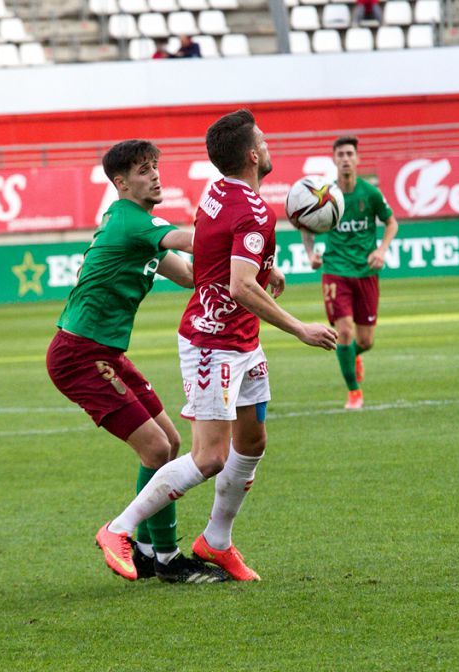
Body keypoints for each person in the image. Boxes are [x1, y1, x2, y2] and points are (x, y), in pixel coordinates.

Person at [94, 109, 337, 582]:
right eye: (263, 141)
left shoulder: (218, 191)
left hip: (243, 341)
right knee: (210, 456)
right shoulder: (253, 210)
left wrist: (264, 266)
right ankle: (118, 527)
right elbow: (242, 287)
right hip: (213, 342)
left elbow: (215, 247)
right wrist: (300, 329)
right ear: (251, 155)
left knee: (253, 439)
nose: (268, 147)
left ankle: (216, 541)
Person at [47, 139, 225, 584]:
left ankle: (148, 551)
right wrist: (243, 233)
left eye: (156, 167)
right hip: (80, 355)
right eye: (144, 170)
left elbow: (187, 273)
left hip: (103, 352)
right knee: (154, 448)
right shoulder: (131, 221)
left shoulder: (136, 225)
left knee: (168, 444)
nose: (156, 175)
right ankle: (165, 558)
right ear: (121, 183)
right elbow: (192, 242)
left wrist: (247, 271)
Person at [300, 136, 398, 410]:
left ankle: (353, 356)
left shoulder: (370, 194)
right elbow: (304, 224)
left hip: (366, 272)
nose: (345, 158)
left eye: (349, 154)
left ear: (357, 159)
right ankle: (354, 392)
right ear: (334, 159)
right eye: (340, 154)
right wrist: (311, 254)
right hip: (335, 271)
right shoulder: (327, 194)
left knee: (365, 341)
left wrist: (381, 250)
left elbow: (391, 223)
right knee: (344, 331)